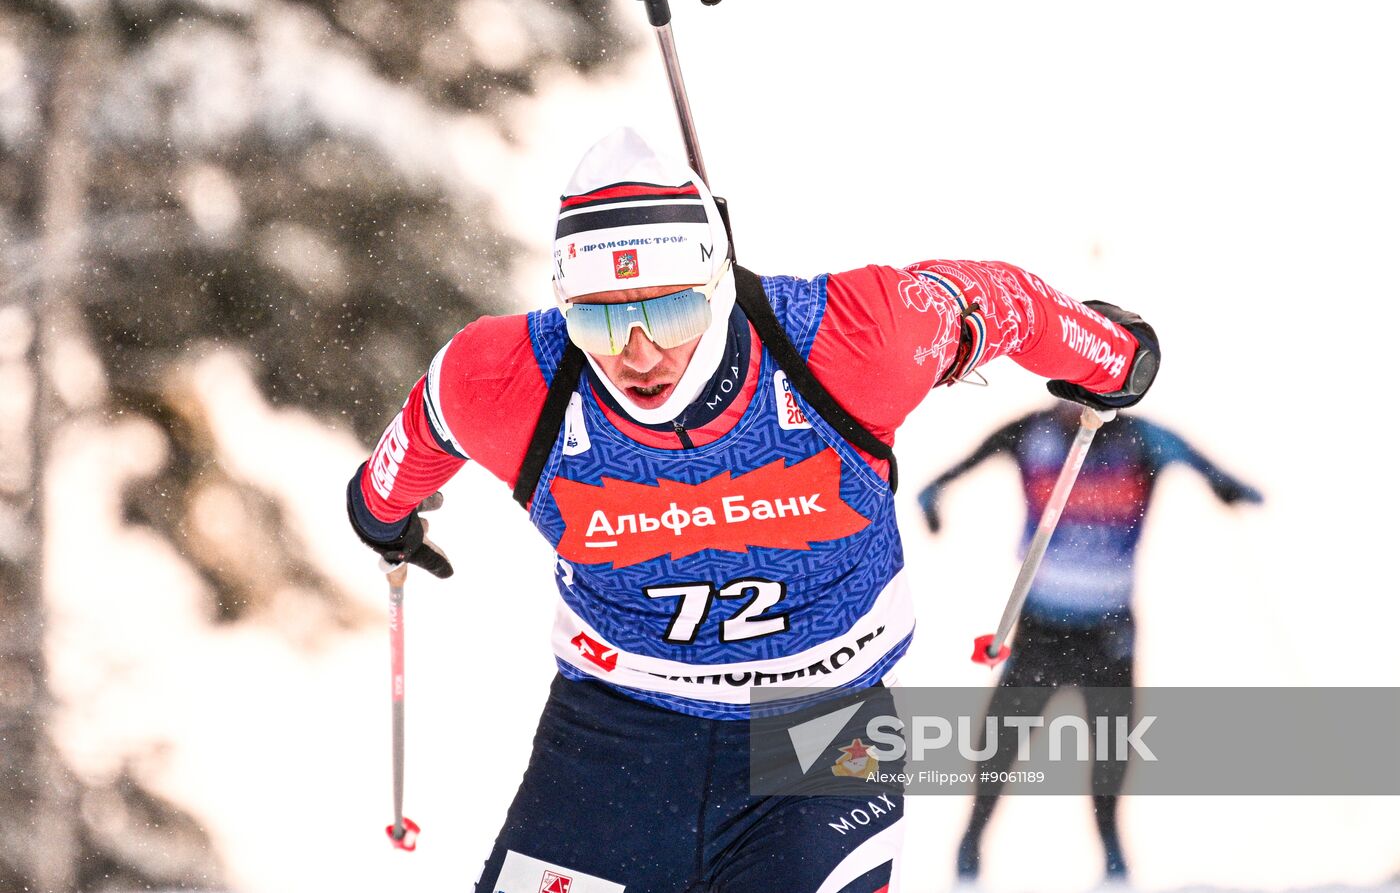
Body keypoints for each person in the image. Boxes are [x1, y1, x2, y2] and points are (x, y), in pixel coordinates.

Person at [345, 127, 1160, 893]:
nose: (638, 354)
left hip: (821, 734)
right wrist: (384, 517)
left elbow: (1005, 302)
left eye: (668, 312)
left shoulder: (850, 341)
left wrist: (1109, 353)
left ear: (715, 279)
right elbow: (417, 437)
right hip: (614, 741)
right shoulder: (510, 378)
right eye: (600, 317)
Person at [918, 400, 1262, 883]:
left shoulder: (1143, 438)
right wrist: (932, 503)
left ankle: (1113, 858)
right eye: (1069, 389)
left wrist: (1229, 489)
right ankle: (969, 851)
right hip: (1042, 626)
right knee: (1002, 739)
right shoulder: (1031, 431)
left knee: (1111, 745)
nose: (1077, 403)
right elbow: (947, 476)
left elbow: (1205, 467)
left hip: (1108, 630)